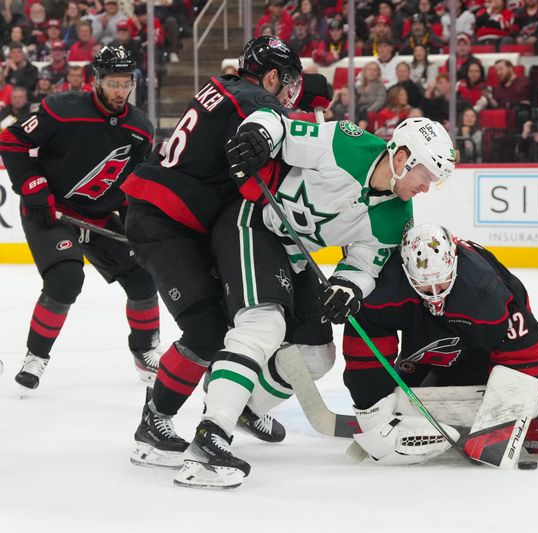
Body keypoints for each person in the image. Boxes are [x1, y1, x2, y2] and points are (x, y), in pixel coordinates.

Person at [173, 117, 458, 489]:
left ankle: (245, 406)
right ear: (403, 158)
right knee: (263, 324)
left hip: (294, 256)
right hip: (253, 223)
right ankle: (210, 438)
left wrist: (347, 288)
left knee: (316, 356)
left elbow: (363, 266)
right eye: (426, 176)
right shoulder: (346, 143)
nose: (426, 187)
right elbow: (279, 126)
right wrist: (259, 135)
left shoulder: (398, 218)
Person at [121, 37, 323, 467]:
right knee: (206, 330)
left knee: (234, 321)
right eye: (287, 82)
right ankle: (155, 421)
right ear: (272, 76)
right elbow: (270, 127)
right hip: (165, 221)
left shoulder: (226, 87)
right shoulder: (256, 100)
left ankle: (232, 403)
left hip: (174, 216)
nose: (289, 92)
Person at [341, 224, 538, 466]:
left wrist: (503, 419)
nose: (434, 294)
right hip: (425, 324)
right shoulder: (387, 285)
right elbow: (365, 342)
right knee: (405, 383)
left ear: (453, 263)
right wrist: (371, 406)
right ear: (406, 270)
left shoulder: (483, 292)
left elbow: (531, 352)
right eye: (424, 285)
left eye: (441, 283)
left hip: (480, 335)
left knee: (477, 377)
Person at [0, 46, 160, 392]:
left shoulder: (141, 129)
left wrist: (136, 224)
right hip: (50, 210)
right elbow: (11, 140)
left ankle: (145, 350)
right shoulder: (63, 109)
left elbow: (132, 186)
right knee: (66, 277)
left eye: (126, 83)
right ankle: (35, 356)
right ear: (97, 81)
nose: (120, 91)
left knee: (143, 277)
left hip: (98, 218)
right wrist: (33, 187)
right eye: (113, 83)